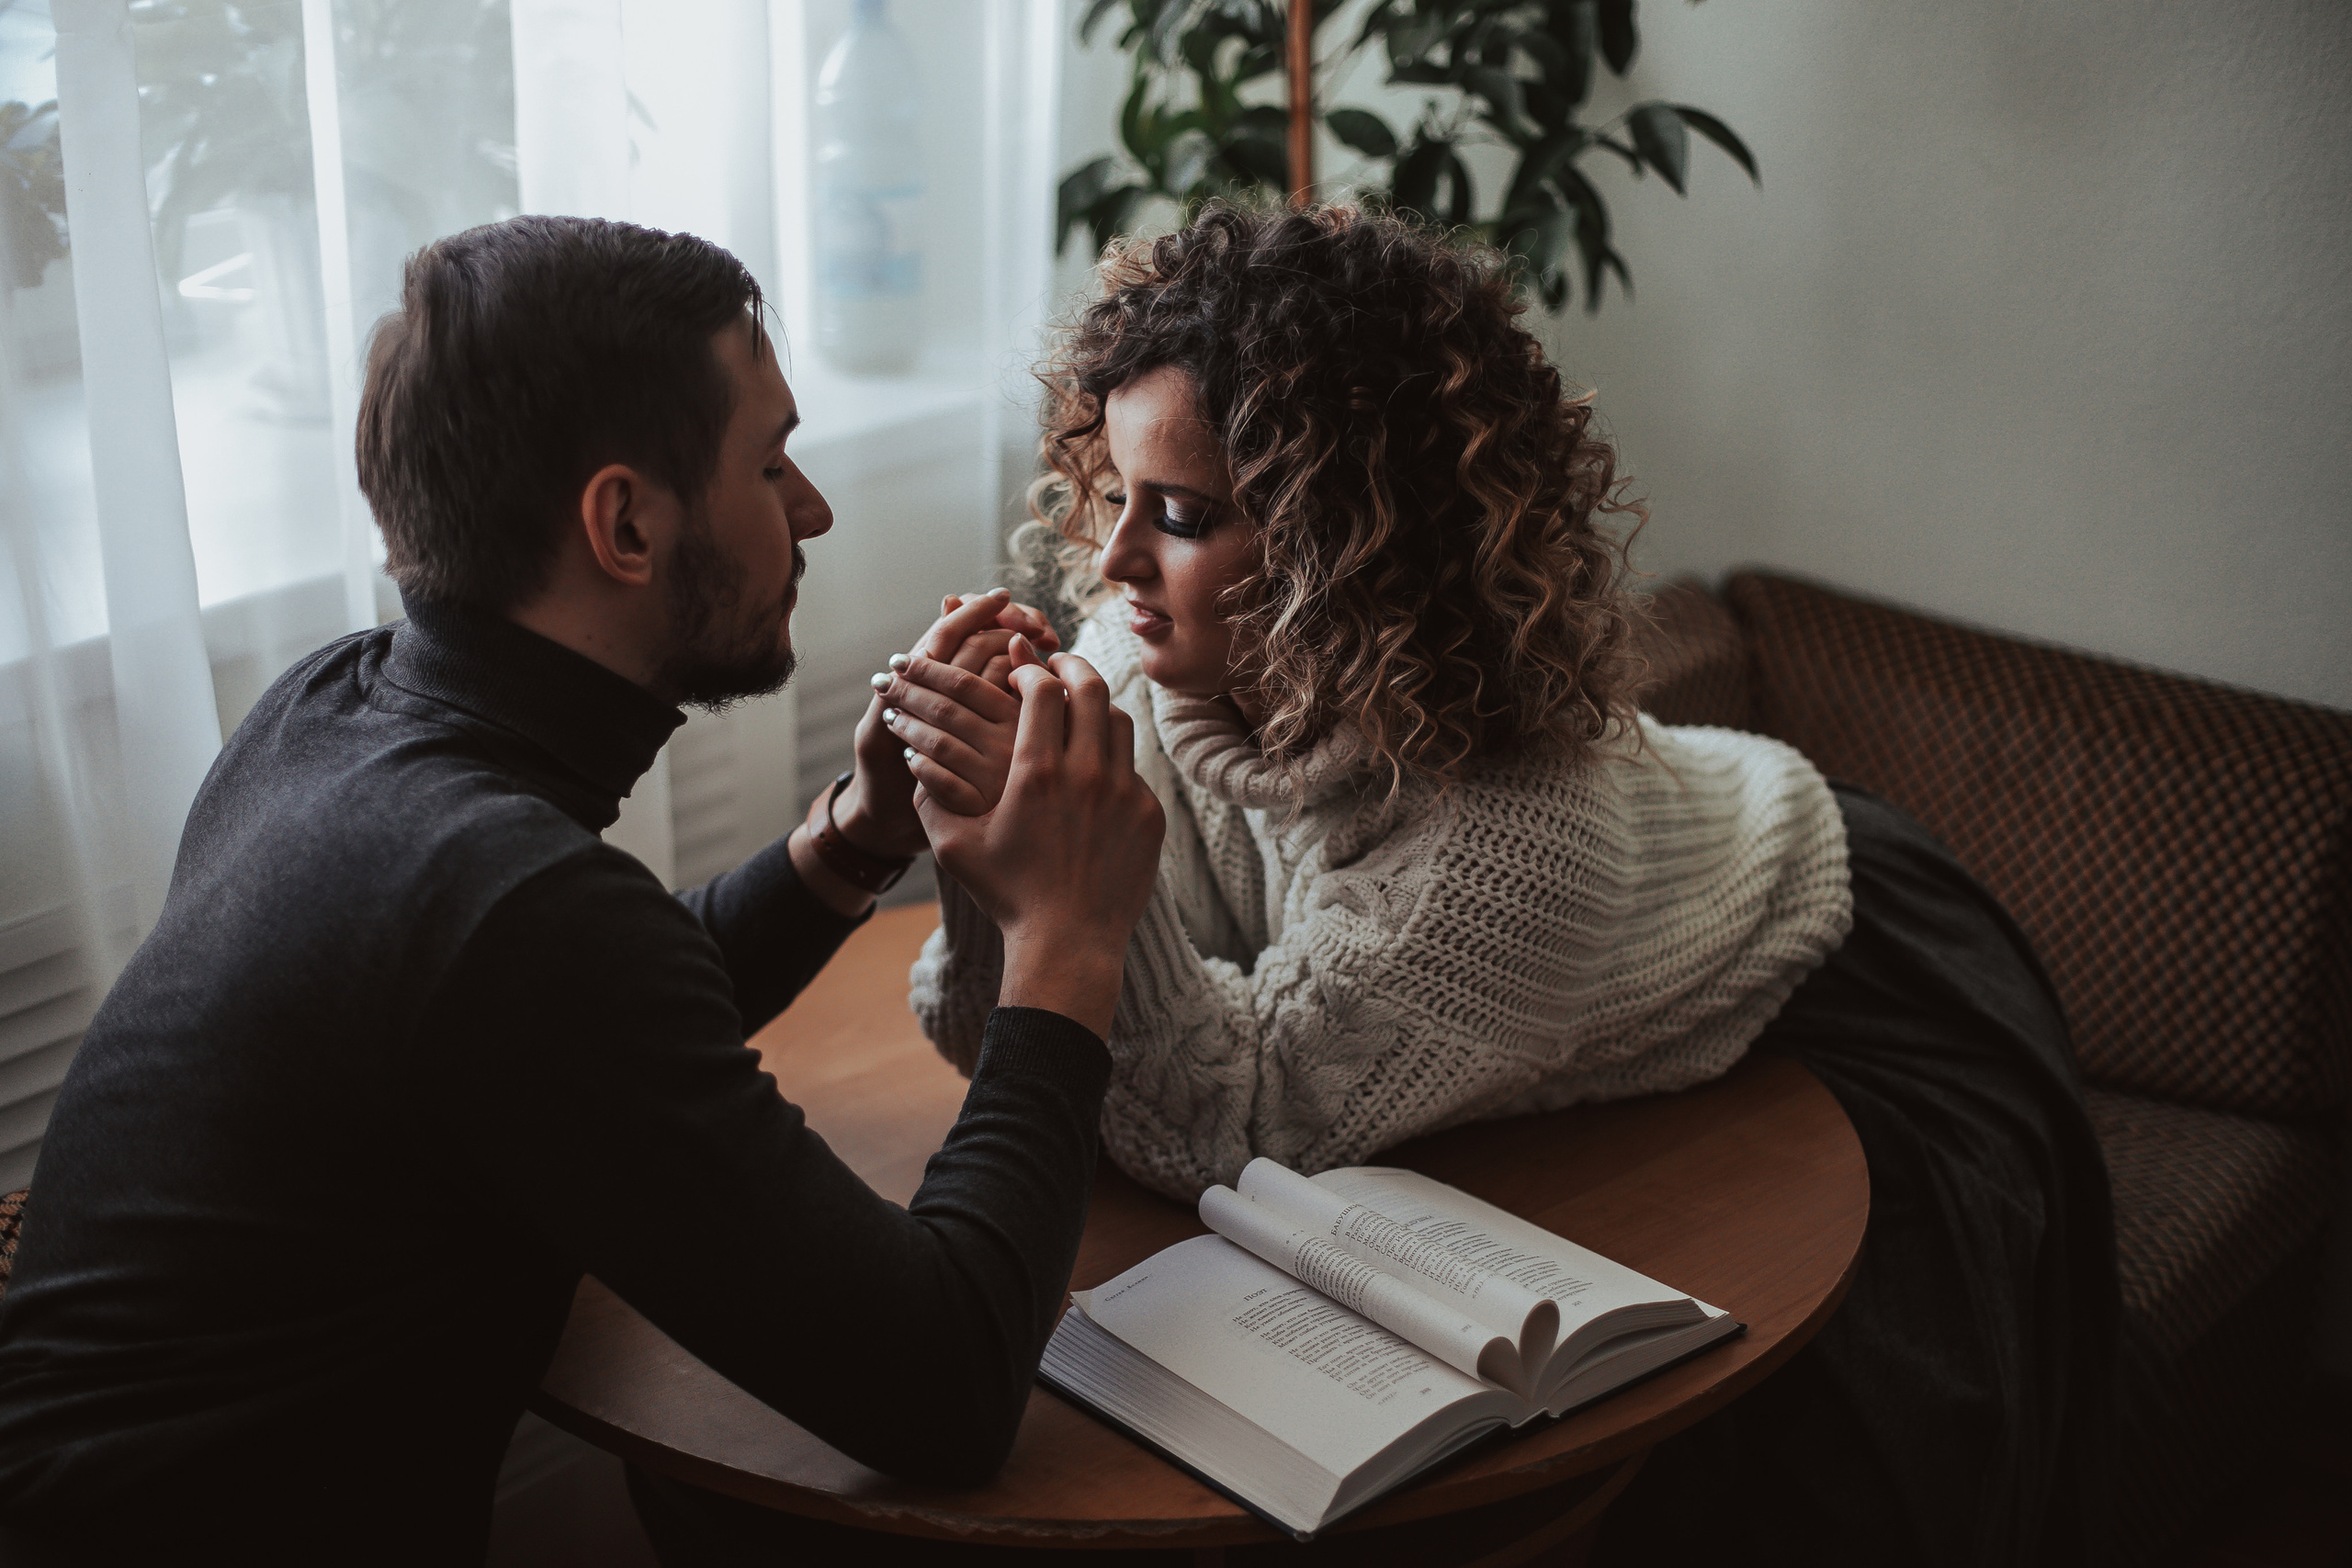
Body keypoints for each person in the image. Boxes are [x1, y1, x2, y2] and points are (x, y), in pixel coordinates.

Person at [892, 203, 2119, 1566]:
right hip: (1625, 913)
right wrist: (980, 832)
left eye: (1181, 515)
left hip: (1854, 965)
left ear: (1349, 541)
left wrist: (1065, 879)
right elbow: (983, 1034)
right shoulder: (1143, 658)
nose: (1116, 560)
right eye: (1114, 493)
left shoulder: (1511, 840)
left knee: (1854, 1457)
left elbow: (1240, 1130)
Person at [0, 215, 1163, 1565]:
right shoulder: (507, 904)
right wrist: (1069, 936)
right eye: (769, 463)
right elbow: (945, 1386)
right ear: (624, 524)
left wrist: (855, 834)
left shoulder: (330, 709)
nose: (813, 509)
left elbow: (584, 1036)